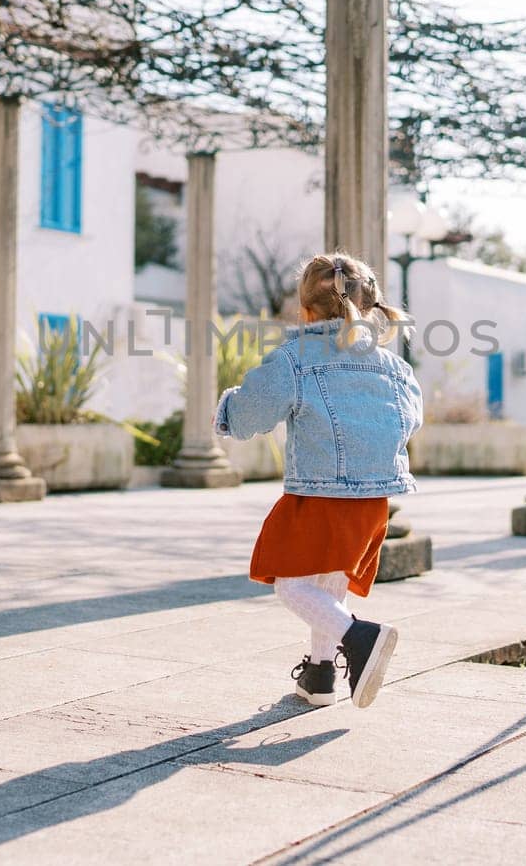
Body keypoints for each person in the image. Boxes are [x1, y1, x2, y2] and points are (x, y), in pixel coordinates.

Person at [214, 252, 423, 708]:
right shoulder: (394, 366)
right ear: (370, 310)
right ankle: (321, 675)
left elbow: (250, 414)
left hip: (320, 492)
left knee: (292, 584)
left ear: (305, 310)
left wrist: (228, 407)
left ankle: (360, 636)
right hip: (374, 498)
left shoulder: (296, 357)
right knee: (331, 581)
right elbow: (411, 421)